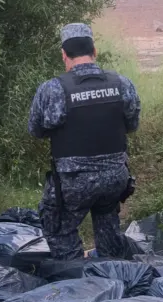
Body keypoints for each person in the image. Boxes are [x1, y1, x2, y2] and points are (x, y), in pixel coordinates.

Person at [28, 23, 140, 260]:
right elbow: (132, 125)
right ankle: (114, 274)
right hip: (115, 179)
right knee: (108, 223)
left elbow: (36, 130)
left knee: (57, 226)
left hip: (74, 181)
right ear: (94, 51)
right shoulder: (122, 84)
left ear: (63, 55)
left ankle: (75, 278)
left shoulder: (53, 89)